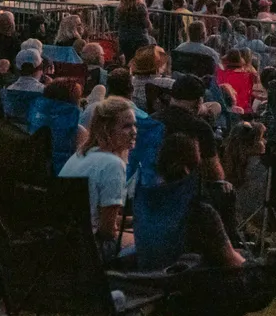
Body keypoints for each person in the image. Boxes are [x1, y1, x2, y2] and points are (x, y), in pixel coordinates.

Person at [60, 97, 138, 259]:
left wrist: (133, 220)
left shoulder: (82, 155)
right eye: (126, 126)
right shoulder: (113, 164)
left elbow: (94, 215)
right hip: (91, 249)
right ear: (106, 130)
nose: (134, 131)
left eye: (134, 125)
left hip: (67, 242)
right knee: (147, 243)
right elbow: (107, 232)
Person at [155, 133, 246, 268]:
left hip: (153, 274)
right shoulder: (199, 211)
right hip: (191, 279)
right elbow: (233, 261)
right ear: (188, 167)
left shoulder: (149, 201)